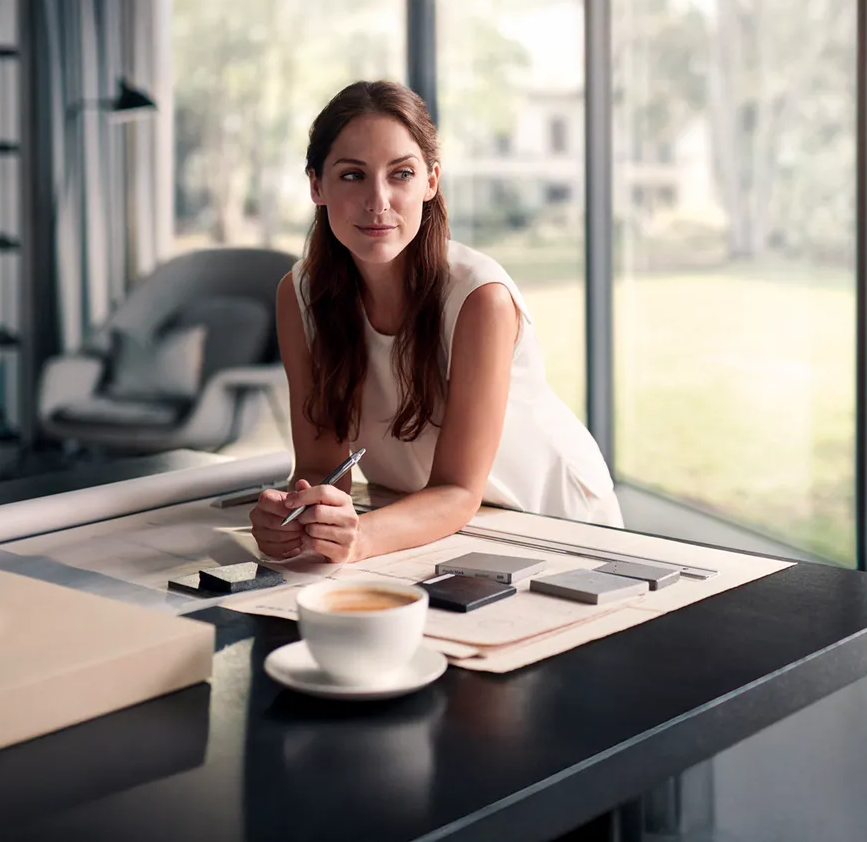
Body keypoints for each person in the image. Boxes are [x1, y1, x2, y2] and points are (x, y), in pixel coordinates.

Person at [250, 80, 620, 564]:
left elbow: (459, 488)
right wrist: (302, 516)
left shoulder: (479, 297)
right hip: (426, 519)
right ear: (316, 185)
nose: (378, 201)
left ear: (431, 181)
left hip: (550, 519)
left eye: (400, 174)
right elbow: (323, 466)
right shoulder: (299, 296)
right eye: (352, 176)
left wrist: (357, 537)